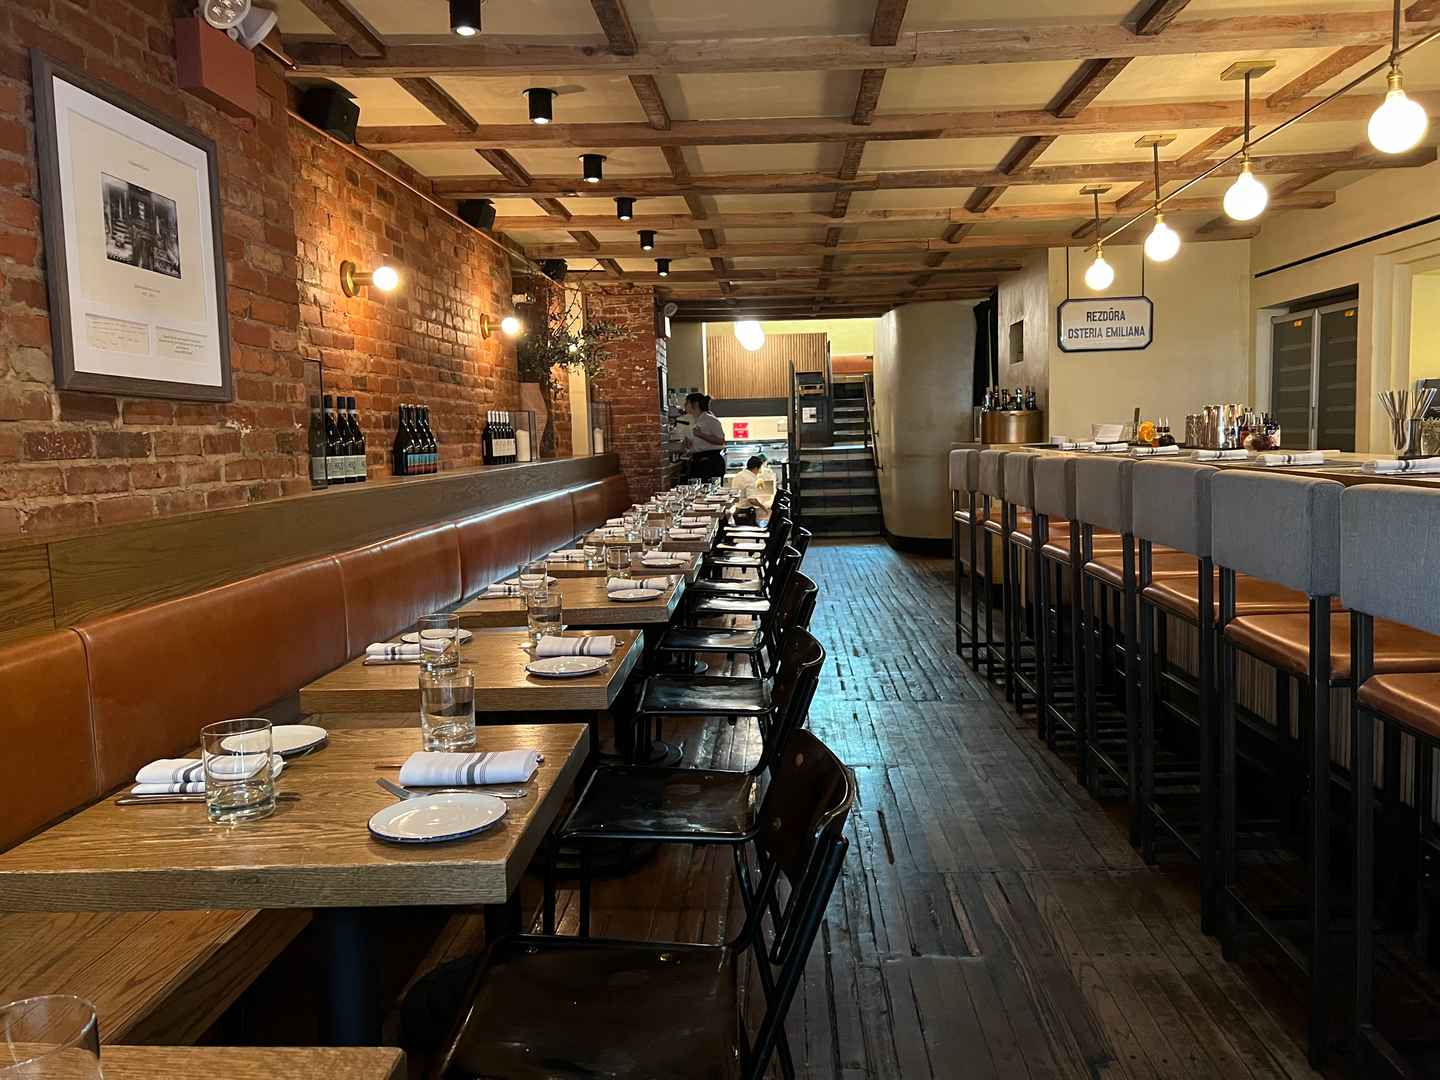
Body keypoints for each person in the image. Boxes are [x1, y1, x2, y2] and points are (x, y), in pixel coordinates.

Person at [683, 392, 726, 481]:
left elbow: (721, 440)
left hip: (710, 462)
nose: (684, 405)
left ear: (695, 404)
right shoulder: (695, 420)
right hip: (697, 460)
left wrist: (701, 435)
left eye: (687, 403)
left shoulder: (710, 419)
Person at [729, 454, 774, 524]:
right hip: (745, 512)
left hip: (736, 509)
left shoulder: (739, 474)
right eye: (760, 468)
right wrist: (764, 508)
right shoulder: (751, 479)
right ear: (756, 468)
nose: (760, 471)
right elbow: (751, 500)